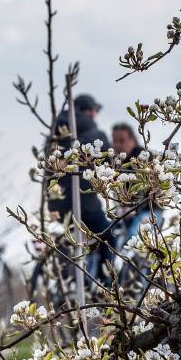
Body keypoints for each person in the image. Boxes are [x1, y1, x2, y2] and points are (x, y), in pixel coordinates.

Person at [51, 93, 113, 279]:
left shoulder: (55, 131)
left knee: (73, 237)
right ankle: (105, 283)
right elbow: (109, 161)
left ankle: (66, 280)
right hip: (84, 204)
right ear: (91, 112)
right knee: (108, 236)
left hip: (56, 204)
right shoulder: (94, 132)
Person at [111, 122, 160, 244]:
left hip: (150, 210)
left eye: (122, 141)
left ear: (133, 140)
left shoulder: (143, 157)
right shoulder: (117, 161)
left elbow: (144, 188)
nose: (117, 145)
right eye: (115, 141)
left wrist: (132, 209)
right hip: (128, 212)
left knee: (135, 236)